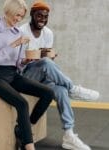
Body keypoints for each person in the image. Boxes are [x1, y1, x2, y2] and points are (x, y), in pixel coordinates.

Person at [20, 0, 100, 150]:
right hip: (24, 76)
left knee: (61, 91)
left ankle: (69, 135)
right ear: (32, 14)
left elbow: (47, 59)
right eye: (39, 16)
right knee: (46, 63)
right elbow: (16, 61)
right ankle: (73, 89)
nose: (42, 19)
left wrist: (50, 57)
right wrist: (38, 58)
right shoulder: (22, 31)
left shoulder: (48, 33)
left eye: (45, 16)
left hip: (42, 76)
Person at [0, 0, 55, 150]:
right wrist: (15, 44)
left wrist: (26, 60)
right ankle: (29, 146)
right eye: (17, 15)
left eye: (21, 17)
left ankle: (23, 130)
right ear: (9, 11)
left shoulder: (19, 31)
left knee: (48, 92)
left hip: (13, 74)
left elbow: (18, 63)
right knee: (22, 103)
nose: (18, 19)